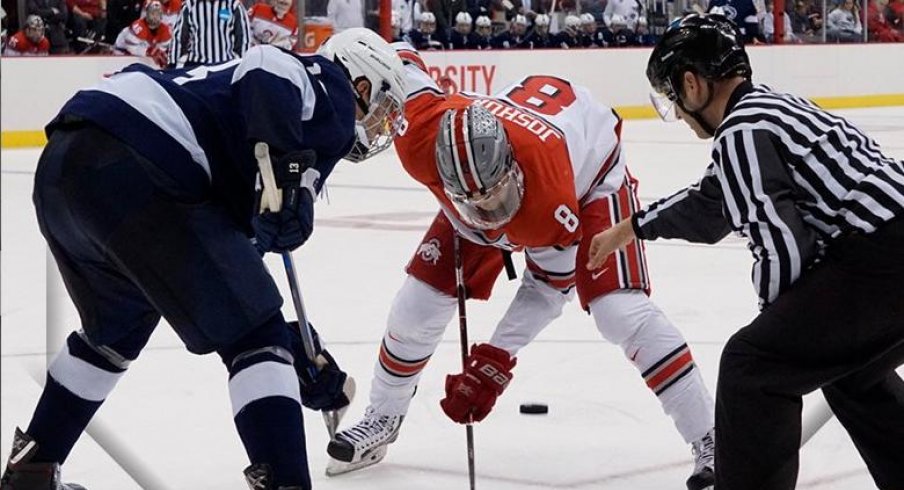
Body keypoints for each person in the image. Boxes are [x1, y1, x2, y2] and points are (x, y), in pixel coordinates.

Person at [0, 28, 406, 490]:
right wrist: (286, 165)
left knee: (114, 332)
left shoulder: (267, 130)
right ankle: (287, 481)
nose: (379, 125)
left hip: (67, 169)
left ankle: (31, 471)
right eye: (383, 107)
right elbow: (266, 65)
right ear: (361, 82)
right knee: (258, 338)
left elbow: (221, 273)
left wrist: (294, 353)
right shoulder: (327, 85)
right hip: (139, 162)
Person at [325, 42, 718, 490]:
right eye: (474, 202)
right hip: (484, 173)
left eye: (495, 197)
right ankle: (383, 416)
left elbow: (550, 286)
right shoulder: (418, 134)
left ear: (510, 167)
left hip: (590, 176)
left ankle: (711, 437)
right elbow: (396, 57)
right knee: (416, 305)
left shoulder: (550, 203)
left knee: (619, 311)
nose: (491, 214)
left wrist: (496, 356)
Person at [587, 13, 904, 490]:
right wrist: (630, 228)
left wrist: (775, 328)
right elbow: (713, 203)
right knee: (851, 373)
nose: (676, 110)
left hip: (883, 258)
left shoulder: (741, 131)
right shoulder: (769, 111)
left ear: (692, 85)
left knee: (752, 367)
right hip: (889, 250)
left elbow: (784, 247)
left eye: (673, 96)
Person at [169, 0, 250, 68]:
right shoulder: (190, 5)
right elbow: (178, 38)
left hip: (225, 65)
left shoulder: (233, 5)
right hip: (196, 66)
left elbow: (243, 39)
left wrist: (244, 66)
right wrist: (172, 65)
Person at [113, 0, 172, 67]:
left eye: (158, 14)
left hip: (143, 58)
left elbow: (161, 49)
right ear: (147, 13)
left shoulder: (166, 30)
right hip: (123, 53)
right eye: (152, 13)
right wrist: (148, 51)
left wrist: (160, 53)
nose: (155, 17)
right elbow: (131, 48)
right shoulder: (138, 26)